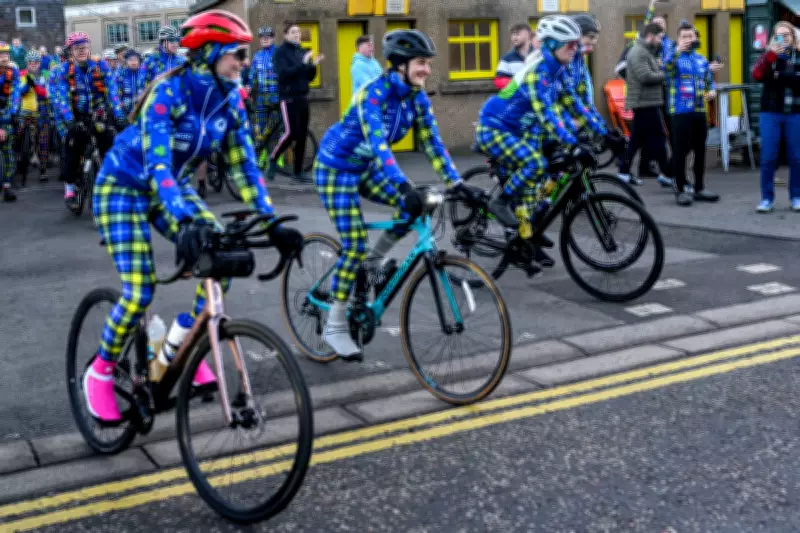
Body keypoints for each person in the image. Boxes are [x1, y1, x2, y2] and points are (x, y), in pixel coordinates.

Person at [82, 10, 303, 422]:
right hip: (125, 187)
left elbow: (244, 167)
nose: (244, 62)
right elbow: (158, 167)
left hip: (174, 189)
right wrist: (186, 221)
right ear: (210, 53)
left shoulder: (229, 99)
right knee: (139, 291)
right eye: (237, 53)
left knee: (219, 260)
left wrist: (271, 221)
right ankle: (100, 372)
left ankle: (177, 346)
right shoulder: (168, 94)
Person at [314, 29, 482, 359]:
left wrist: (457, 183)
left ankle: (373, 265)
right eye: (421, 63)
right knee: (354, 244)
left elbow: (432, 143)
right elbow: (378, 146)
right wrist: (404, 186)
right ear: (401, 65)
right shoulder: (372, 96)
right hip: (336, 169)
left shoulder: (416, 97)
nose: (427, 70)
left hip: (367, 168)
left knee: (415, 208)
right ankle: (335, 323)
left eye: (428, 64)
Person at [475, 16, 609, 268]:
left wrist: (605, 131)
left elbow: (575, 104)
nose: (576, 49)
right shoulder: (538, 72)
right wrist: (573, 143)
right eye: (569, 45)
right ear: (550, 46)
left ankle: (526, 239)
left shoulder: (558, 70)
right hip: (496, 128)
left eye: (576, 44)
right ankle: (500, 201)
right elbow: (547, 114)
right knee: (535, 164)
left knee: (543, 179)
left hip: (523, 131)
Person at [51, 32, 126, 209]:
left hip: (97, 113)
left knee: (109, 142)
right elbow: (60, 97)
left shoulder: (102, 66)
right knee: (72, 147)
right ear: (71, 52)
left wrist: (120, 115)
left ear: (89, 47)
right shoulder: (61, 71)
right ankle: (70, 187)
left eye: (84, 47)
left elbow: (113, 92)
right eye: (77, 48)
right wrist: (69, 120)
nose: (81, 51)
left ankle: (110, 185)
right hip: (73, 115)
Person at [664, 22, 719, 206]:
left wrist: (712, 91)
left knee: (700, 150)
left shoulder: (702, 59)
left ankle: (699, 188)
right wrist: (677, 50)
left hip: (699, 111)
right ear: (678, 39)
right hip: (679, 112)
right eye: (684, 37)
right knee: (680, 151)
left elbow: (709, 81)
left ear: (696, 38)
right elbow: (667, 69)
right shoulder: (673, 57)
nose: (688, 39)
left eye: (691, 36)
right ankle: (680, 189)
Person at [618, 23, 674, 190]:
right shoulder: (638, 52)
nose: (660, 41)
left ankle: (623, 171)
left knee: (636, 139)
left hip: (646, 102)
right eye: (659, 37)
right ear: (650, 35)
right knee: (659, 138)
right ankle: (666, 174)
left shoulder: (644, 51)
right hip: (644, 102)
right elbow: (646, 76)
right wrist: (666, 75)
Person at [752, 21, 800, 212]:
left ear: (793, 37)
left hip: (795, 112)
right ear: (774, 37)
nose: (783, 39)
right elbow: (757, 75)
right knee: (768, 156)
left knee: (796, 157)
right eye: (778, 36)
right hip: (770, 112)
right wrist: (771, 57)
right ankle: (767, 198)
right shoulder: (768, 56)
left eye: (786, 35)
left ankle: (796, 196)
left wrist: (779, 76)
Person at [268, 21, 324, 183]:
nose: (296, 35)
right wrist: (302, 63)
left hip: (302, 97)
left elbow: (309, 77)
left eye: (298, 32)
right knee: (292, 132)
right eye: (293, 32)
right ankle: (273, 158)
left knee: (302, 136)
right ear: (286, 35)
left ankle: (298, 171)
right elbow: (283, 74)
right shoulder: (280, 53)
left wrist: (313, 65)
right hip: (288, 97)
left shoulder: (301, 51)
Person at [17, 49, 50, 183]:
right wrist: (26, 86)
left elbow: (47, 93)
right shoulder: (21, 74)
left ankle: (43, 169)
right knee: (17, 132)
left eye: (36, 62)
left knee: (43, 139)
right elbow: (18, 92)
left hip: (41, 109)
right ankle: (19, 157)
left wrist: (35, 86)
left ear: (39, 63)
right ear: (27, 63)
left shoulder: (45, 75)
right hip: (25, 110)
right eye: (31, 62)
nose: (33, 64)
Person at [249, 26, 280, 169]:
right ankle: (261, 157)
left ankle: (275, 158)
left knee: (275, 125)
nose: (265, 39)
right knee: (259, 129)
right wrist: (247, 88)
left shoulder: (279, 53)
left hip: (276, 96)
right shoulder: (257, 56)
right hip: (261, 96)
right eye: (262, 37)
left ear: (273, 38)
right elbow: (252, 76)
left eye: (268, 36)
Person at [0, 42, 21, 202]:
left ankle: (7, 185)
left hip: (6, 113)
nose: (4, 58)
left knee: (8, 152)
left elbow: (15, 94)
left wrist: (13, 112)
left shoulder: (12, 72)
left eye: (6, 54)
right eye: (1, 55)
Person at [495, 23, 535, 89]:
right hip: (516, 98)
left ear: (528, 35)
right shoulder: (507, 58)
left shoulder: (539, 56)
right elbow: (499, 80)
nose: (514, 37)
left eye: (518, 34)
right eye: (513, 34)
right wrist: (518, 83)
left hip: (537, 98)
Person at [115, 48, 145, 116]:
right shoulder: (121, 74)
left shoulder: (145, 74)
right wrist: (119, 111)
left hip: (142, 111)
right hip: (125, 112)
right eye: (130, 60)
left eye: (135, 60)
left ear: (139, 61)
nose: (133, 62)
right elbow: (116, 93)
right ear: (126, 61)